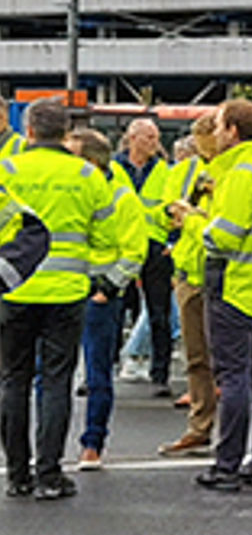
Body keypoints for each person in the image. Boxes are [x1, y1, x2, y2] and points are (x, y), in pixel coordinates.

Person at [0, 99, 126, 499]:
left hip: (14, 287)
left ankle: (17, 473)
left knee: (12, 380)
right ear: (65, 134)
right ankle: (50, 474)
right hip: (68, 292)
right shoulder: (89, 175)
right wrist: (95, 276)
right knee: (56, 381)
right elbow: (108, 240)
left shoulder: (8, 171)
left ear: (30, 131)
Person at [175, 99, 252, 492]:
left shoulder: (240, 175)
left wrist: (191, 221)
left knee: (234, 378)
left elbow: (221, 238)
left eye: (220, 125)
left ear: (233, 132)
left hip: (235, 285)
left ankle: (226, 465)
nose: (214, 131)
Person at [70, 128, 148, 471]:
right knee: (48, 374)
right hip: (63, 289)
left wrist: (108, 288)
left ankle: (92, 443)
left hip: (98, 294)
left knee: (98, 371)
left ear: (89, 162)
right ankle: (47, 446)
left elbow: (135, 251)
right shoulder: (72, 190)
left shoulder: (121, 197)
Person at [158, 116, 221, 458]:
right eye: (198, 140)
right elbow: (162, 211)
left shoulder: (235, 170)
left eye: (207, 139)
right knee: (195, 356)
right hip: (188, 270)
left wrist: (198, 210)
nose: (202, 147)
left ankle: (237, 434)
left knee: (232, 361)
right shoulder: (182, 170)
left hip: (223, 271)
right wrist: (173, 210)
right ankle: (200, 426)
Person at [114, 116, 177, 397]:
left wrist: (172, 241)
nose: (155, 143)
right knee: (113, 312)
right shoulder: (114, 168)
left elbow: (175, 208)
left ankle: (160, 373)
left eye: (156, 138)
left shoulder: (165, 171)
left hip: (154, 247)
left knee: (158, 313)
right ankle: (102, 371)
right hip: (121, 245)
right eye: (149, 138)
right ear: (132, 138)